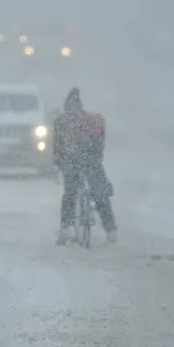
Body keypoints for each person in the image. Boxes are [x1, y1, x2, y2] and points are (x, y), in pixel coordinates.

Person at [52, 87, 117, 245]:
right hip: (91, 159)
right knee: (100, 193)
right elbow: (100, 143)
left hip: (72, 161)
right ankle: (111, 230)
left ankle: (65, 230)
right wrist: (95, 158)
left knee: (70, 195)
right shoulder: (93, 119)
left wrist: (59, 163)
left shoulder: (62, 121)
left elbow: (57, 147)